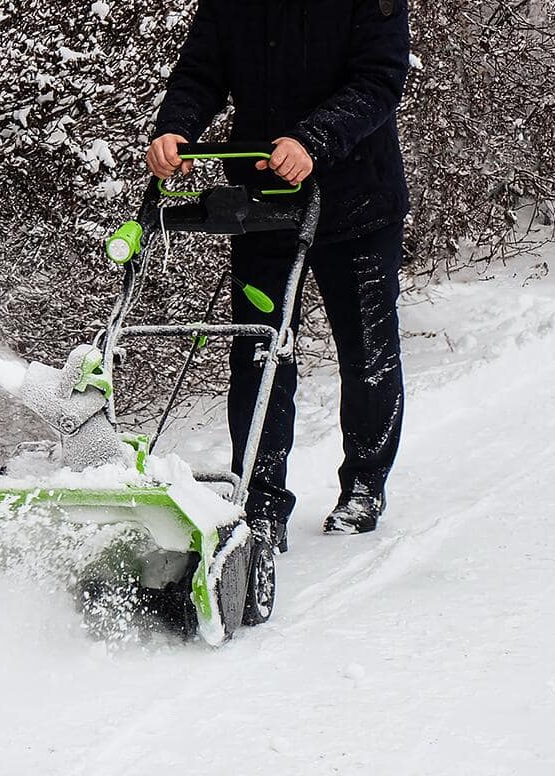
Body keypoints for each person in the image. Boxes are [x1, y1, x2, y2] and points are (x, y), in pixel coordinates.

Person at [146, 0, 411, 549]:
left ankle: (365, 482)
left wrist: (312, 140)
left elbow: (379, 79)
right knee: (258, 351)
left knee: (365, 352)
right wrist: (175, 132)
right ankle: (260, 500)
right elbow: (202, 70)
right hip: (263, 204)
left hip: (358, 201)